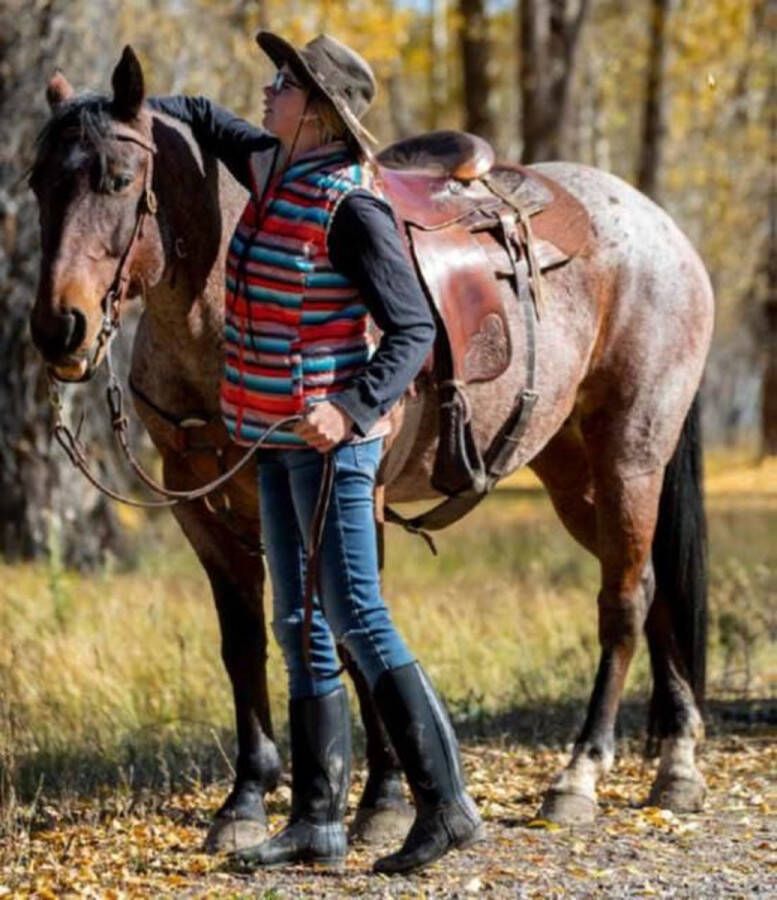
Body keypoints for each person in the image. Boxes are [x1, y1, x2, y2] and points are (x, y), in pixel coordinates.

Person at [149, 31, 483, 875]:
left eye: (284, 83)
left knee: (357, 617)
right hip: (272, 438)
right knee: (297, 623)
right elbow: (197, 115)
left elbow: (412, 329)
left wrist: (352, 405)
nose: (267, 91)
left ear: (322, 113)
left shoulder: (352, 207)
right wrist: (121, 114)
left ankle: (445, 806)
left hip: (335, 442)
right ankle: (317, 819)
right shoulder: (270, 168)